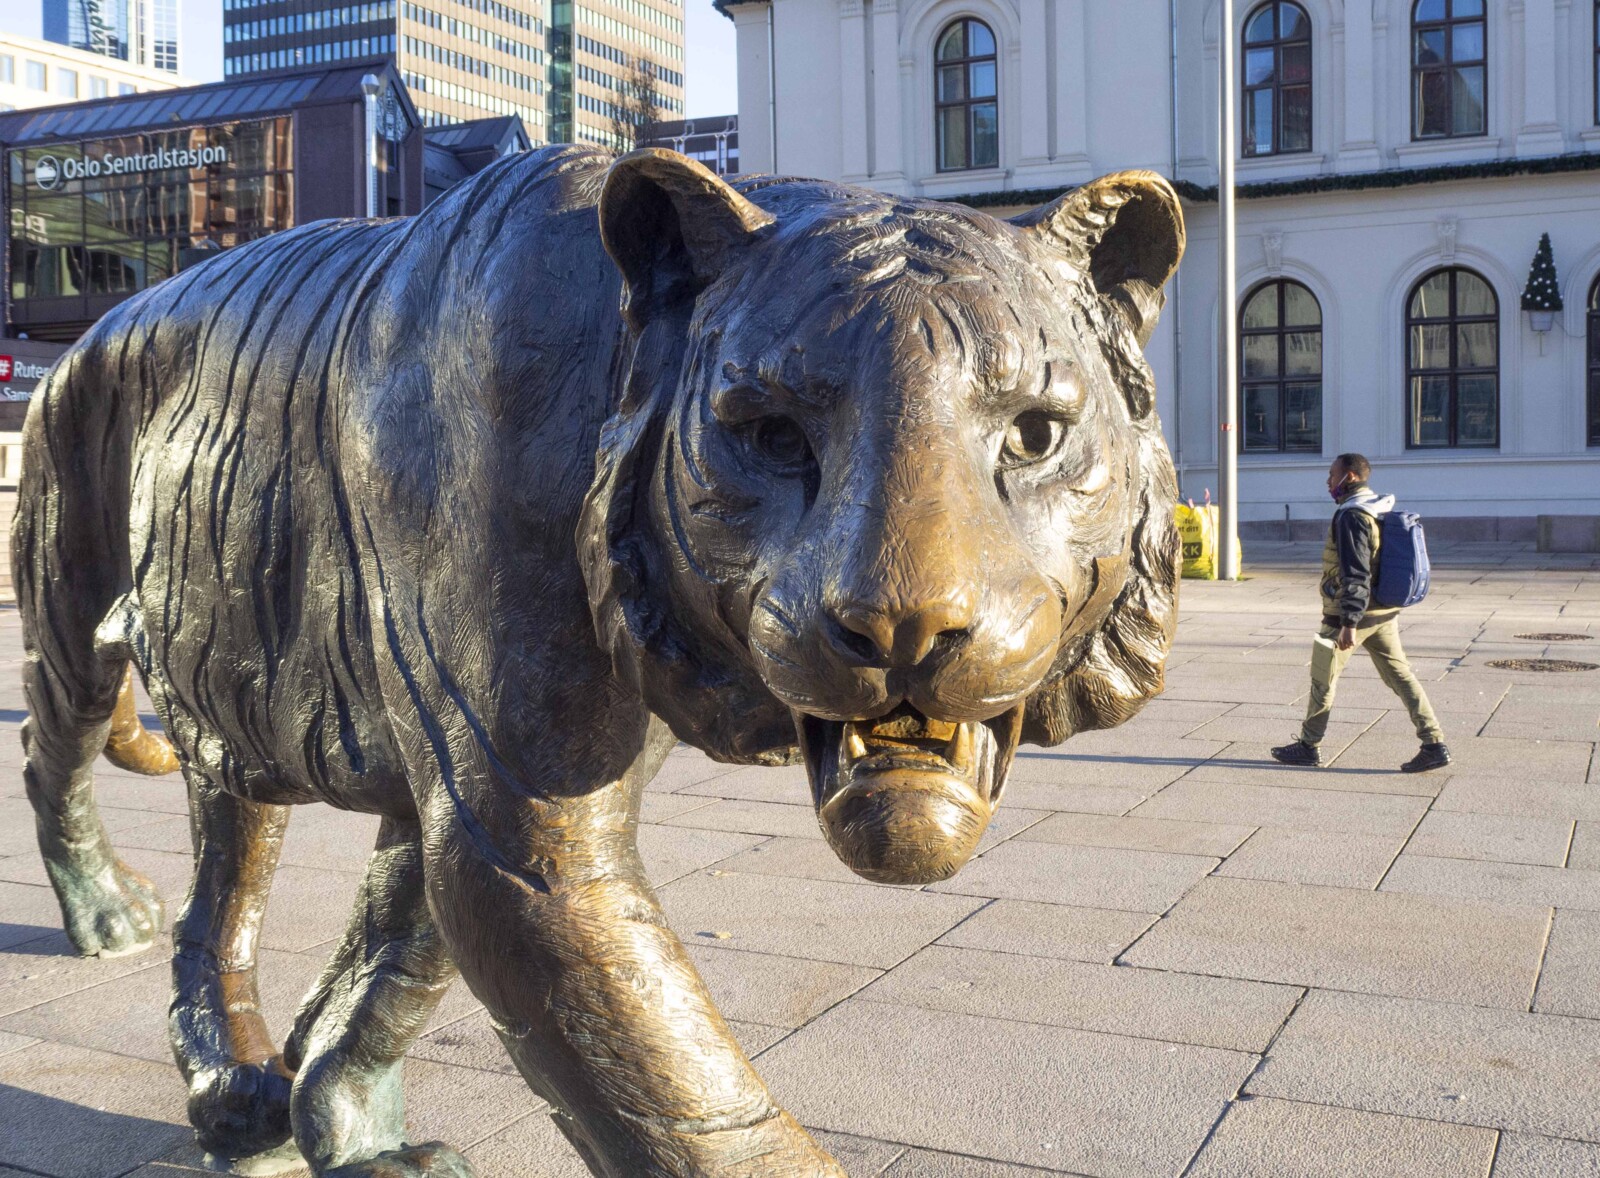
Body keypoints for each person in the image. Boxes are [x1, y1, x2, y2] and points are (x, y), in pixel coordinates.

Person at [1271, 453, 1450, 773]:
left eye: (1332, 475)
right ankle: (1434, 743)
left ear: (1350, 477)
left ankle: (1309, 746)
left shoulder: (1352, 516)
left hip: (1350, 614)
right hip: (1384, 612)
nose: (1328, 482)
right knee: (1401, 676)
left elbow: (1357, 572)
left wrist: (1348, 622)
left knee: (1322, 679)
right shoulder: (1377, 507)